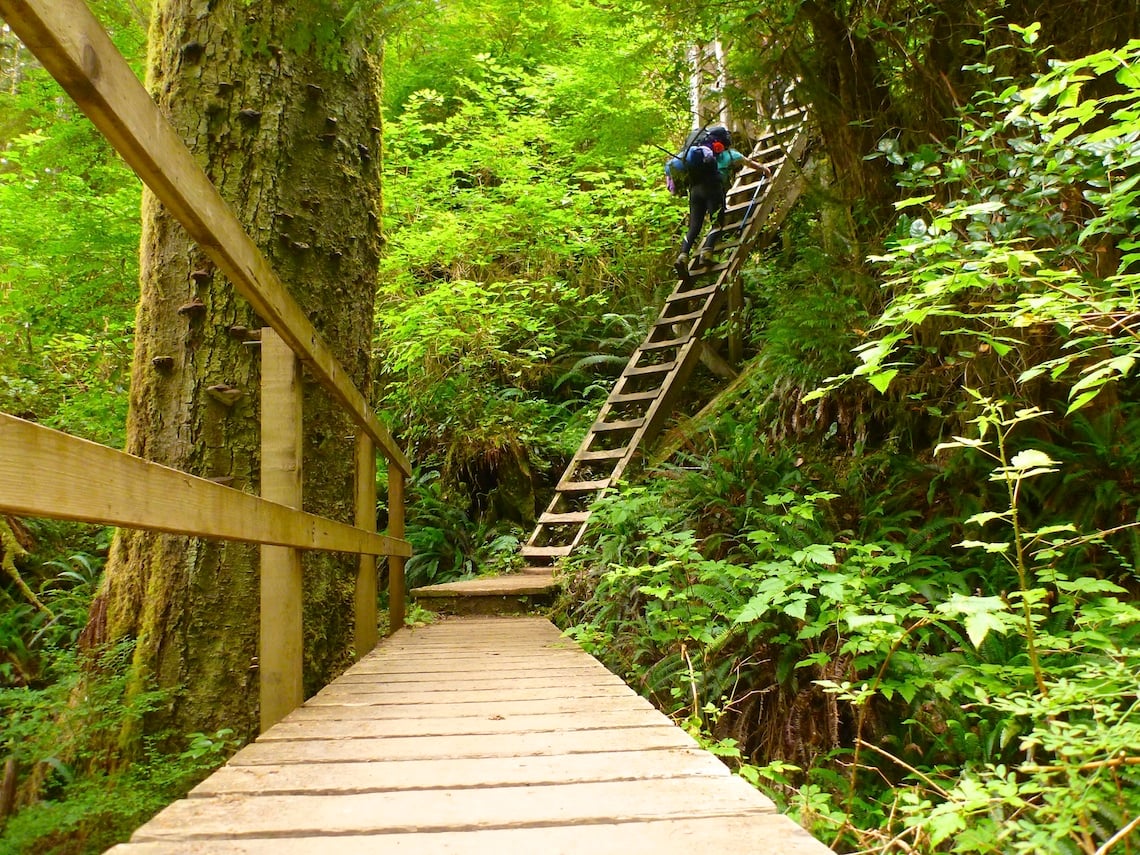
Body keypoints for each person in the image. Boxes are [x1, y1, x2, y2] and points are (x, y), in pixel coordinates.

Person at [674, 137, 772, 276]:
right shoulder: (730, 154)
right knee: (717, 223)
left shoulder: (699, 156)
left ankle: (683, 256)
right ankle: (706, 253)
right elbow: (748, 162)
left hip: (695, 191)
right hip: (713, 189)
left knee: (694, 227)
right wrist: (764, 169)